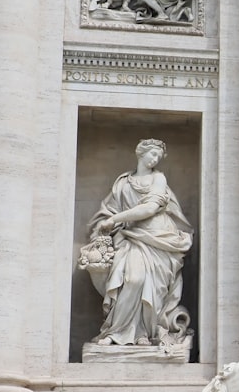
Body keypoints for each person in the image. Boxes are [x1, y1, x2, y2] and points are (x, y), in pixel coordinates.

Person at [83, 139, 194, 346]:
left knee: (151, 286)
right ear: (140, 154)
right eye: (152, 154)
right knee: (133, 279)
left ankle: (144, 333)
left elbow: (149, 209)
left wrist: (115, 220)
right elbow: (109, 210)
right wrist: (105, 224)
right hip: (130, 237)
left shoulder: (158, 178)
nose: (155, 159)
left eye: (159, 157)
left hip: (159, 239)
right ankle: (115, 332)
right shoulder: (123, 183)